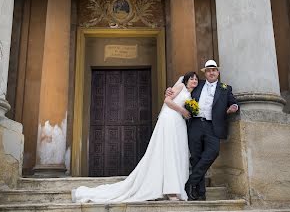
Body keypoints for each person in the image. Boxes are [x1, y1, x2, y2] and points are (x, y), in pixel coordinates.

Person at [71, 71, 199, 204]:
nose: (194, 81)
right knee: (168, 152)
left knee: (176, 153)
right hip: (170, 119)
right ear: (186, 80)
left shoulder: (191, 93)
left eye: (196, 79)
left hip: (179, 123)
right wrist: (182, 111)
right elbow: (167, 101)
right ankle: (170, 190)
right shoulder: (180, 87)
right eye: (191, 79)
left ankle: (173, 187)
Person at [167, 59, 239, 201]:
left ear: (218, 72)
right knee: (196, 157)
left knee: (213, 152)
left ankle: (191, 182)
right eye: (208, 70)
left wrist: (234, 107)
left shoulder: (225, 88)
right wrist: (169, 91)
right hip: (195, 124)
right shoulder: (197, 85)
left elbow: (234, 102)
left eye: (214, 70)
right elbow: (181, 90)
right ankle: (199, 193)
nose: (211, 72)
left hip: (213, 126)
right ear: (205, 73)